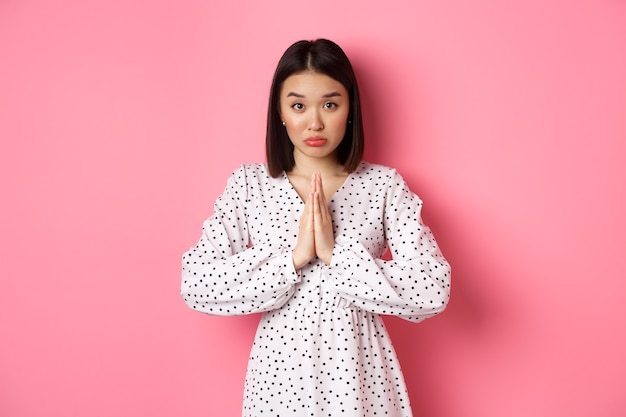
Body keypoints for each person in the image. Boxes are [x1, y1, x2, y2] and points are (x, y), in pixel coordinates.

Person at [181, 38, 451, 417]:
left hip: (360, 381)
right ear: (280, 111)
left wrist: (336, 255)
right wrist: (294, 259)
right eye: (298, 105)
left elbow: (432, 290)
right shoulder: (249, 185)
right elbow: (196, 283)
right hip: (278, 385)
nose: (315, 122)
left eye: (330, 104)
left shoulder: (383, 186)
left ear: (350, 108)